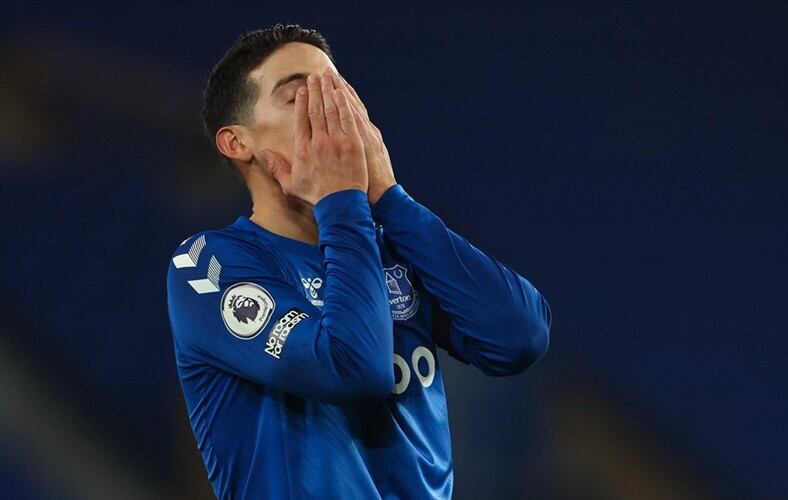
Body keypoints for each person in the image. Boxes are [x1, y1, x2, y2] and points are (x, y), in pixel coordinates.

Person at [166, 24, 551, 499]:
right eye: (298, 98)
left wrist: (391, 199)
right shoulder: (210, 265)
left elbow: (518, 338)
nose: (329, 117)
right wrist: (342, 200)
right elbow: (353, 369)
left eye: (335, 94)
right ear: (237, 143)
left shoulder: (387, 247)